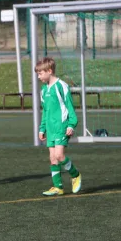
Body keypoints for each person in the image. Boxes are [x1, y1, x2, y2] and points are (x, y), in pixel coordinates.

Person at [36, 57, 82, 196]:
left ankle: (75, 175)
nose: (39, 77)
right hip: (50, 129)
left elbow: (69, 107)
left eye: (40, 73)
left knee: (60, 155)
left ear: (49, 71)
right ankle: (58, 187)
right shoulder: (44, 90)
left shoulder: (62, 86)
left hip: (62, 126)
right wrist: (42, 128)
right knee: (53, 158)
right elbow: (45, 111)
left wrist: (71, 125)